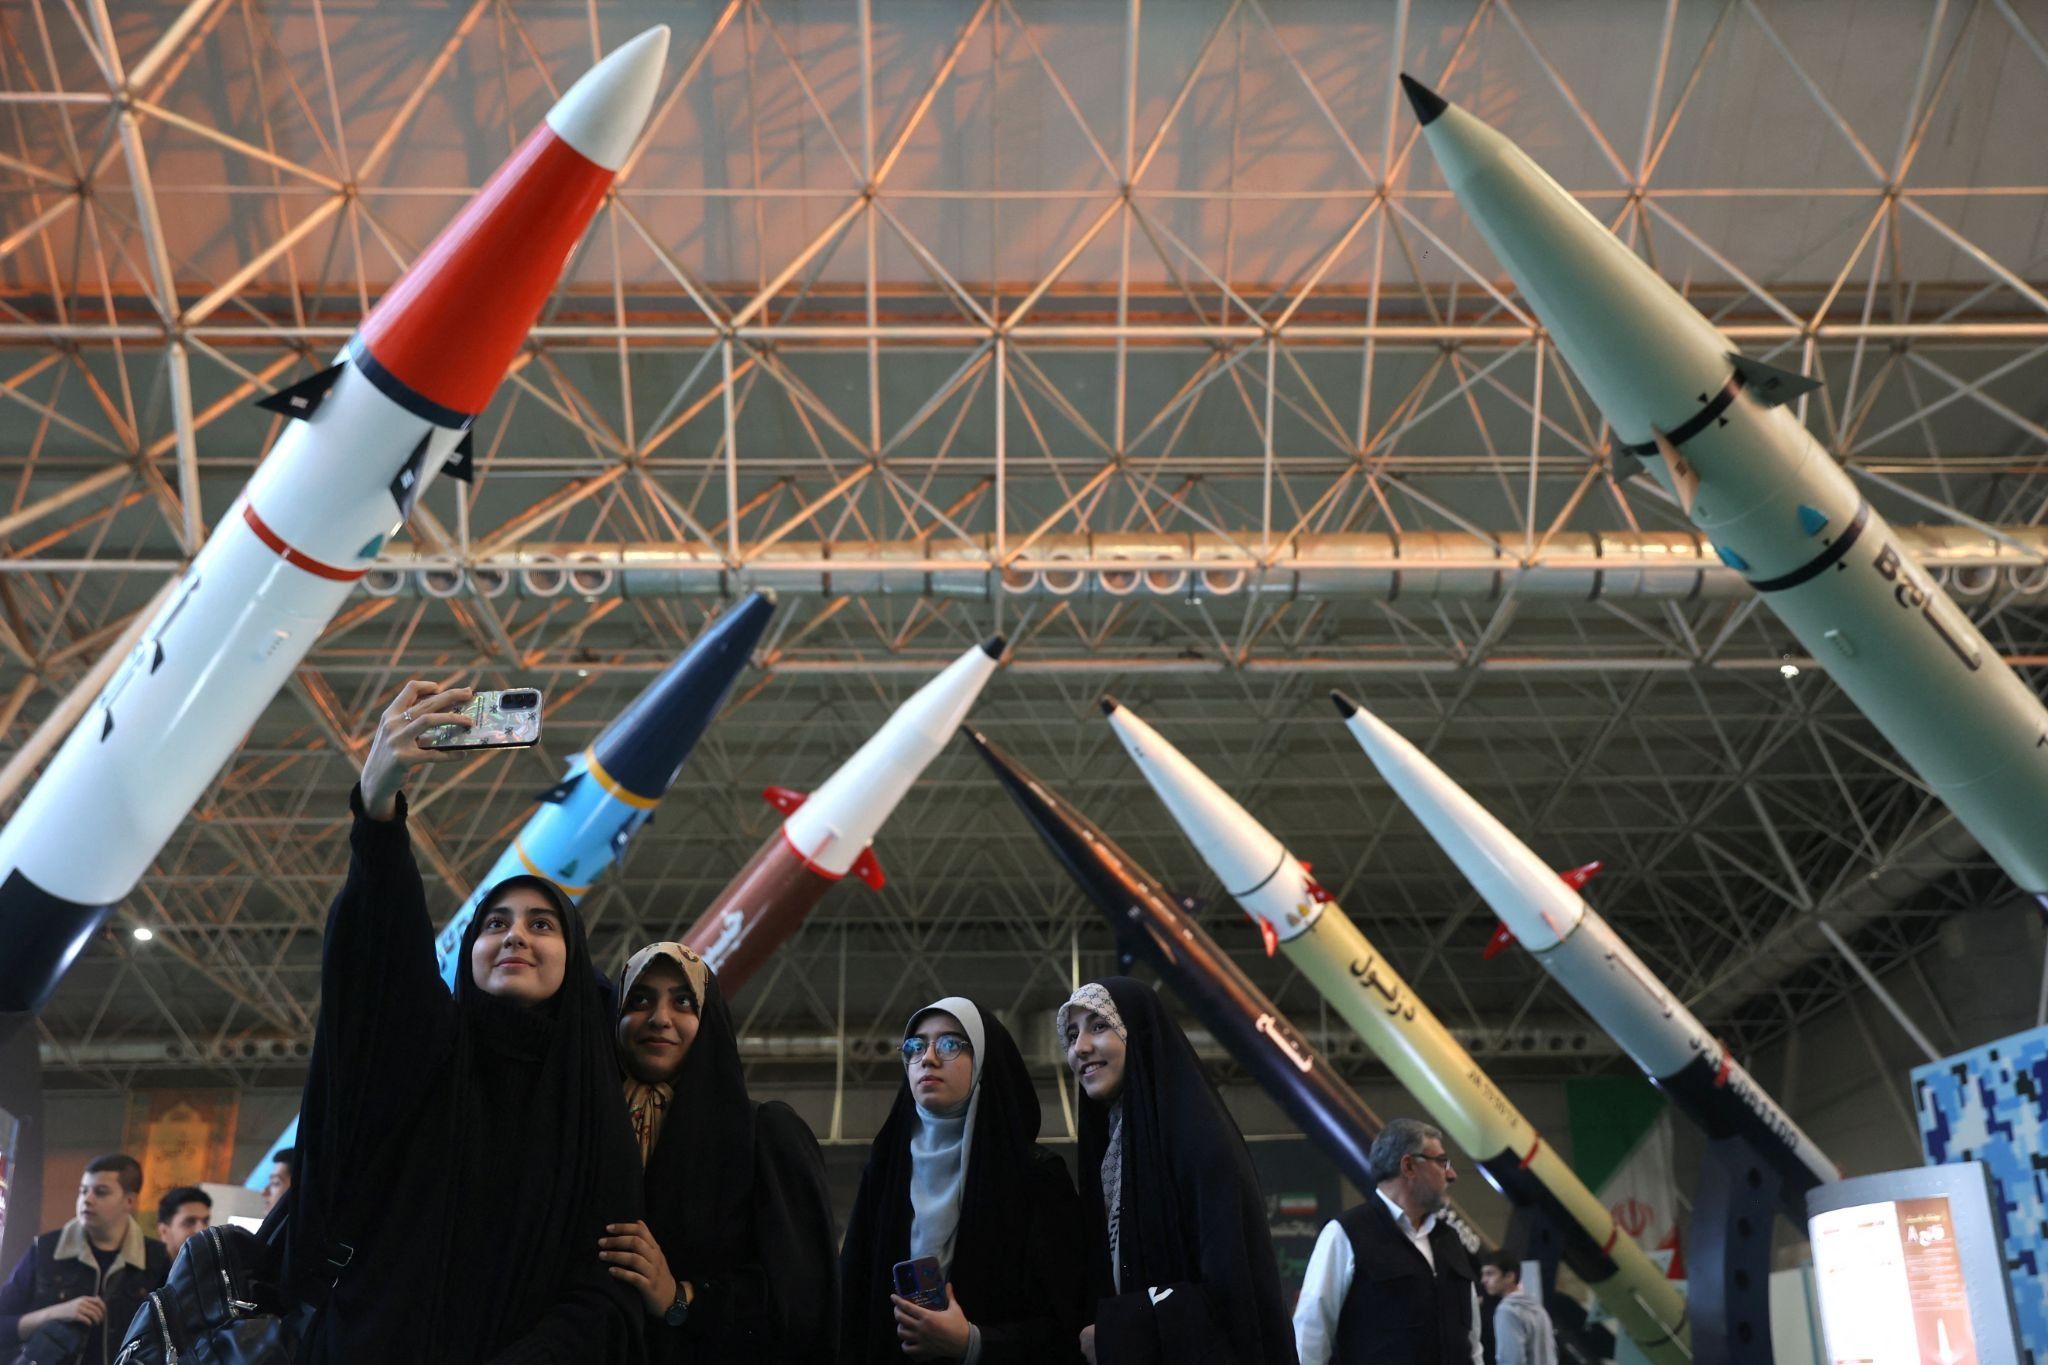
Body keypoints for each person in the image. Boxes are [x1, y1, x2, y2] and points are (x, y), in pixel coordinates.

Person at [279, 679, 645, 1363]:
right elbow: (381, 958)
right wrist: (378, 808)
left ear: (574, 956)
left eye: (542, 924)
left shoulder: (593, 1115)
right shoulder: (423, 1059)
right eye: (494, 923)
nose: (514, 937)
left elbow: (600, 1287)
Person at [598, 941, 837, 1362]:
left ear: (708, 1020)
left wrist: (681, 1297)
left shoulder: (764, 1135)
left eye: (684, 1001)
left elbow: (803, 1301)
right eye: (639, 999)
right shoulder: (588, 1134)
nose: (659, 1018)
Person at [1058, 978, 1296, 1365]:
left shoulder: (1200, 1142)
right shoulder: (1115, 1148)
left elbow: (1233, 1295)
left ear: (1140, 1034)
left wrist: (1122, 1330)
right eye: (1071, 1034)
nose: (1079, 1047)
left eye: (1099, 1025)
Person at [841, 996, 1089, 1365]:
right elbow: (851, 1305)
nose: (928, 1057)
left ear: (985, 1062)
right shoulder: (886, 1168)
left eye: (950, 1043)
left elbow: (1068, 1327)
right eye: (915, 1046)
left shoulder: (1035, 1177)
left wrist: (974, 1344)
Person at [1292, 1119, 1481, 1365]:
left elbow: (1471, 1339)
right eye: (1442, 1162)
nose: (1451, 1175)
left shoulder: (1449, 1239)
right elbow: (1311, 1334)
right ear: (1409, 1166)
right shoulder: (1346, 1234)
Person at [0, 1153, 169, 1365]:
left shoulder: (155, 1260)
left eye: (101, 1192)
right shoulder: (46, 1250)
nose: (87, 1200)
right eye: (83, 1191)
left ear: (129, 1201)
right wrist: (55, 1313)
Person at [1478, 1254, 1553, 1365]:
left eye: (1490, 1274)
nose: (1483, 1280)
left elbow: (1511, 1360)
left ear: (1510, 1276)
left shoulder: (1507, 1311)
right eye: (1483, 1274)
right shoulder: (1539, 1310)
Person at [154, 1186, 212, 1261]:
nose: (202, 1230)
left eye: (205, 1221)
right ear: (163, 1231)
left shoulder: (212, 1268)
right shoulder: (144, 1268)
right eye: (189, 1222)